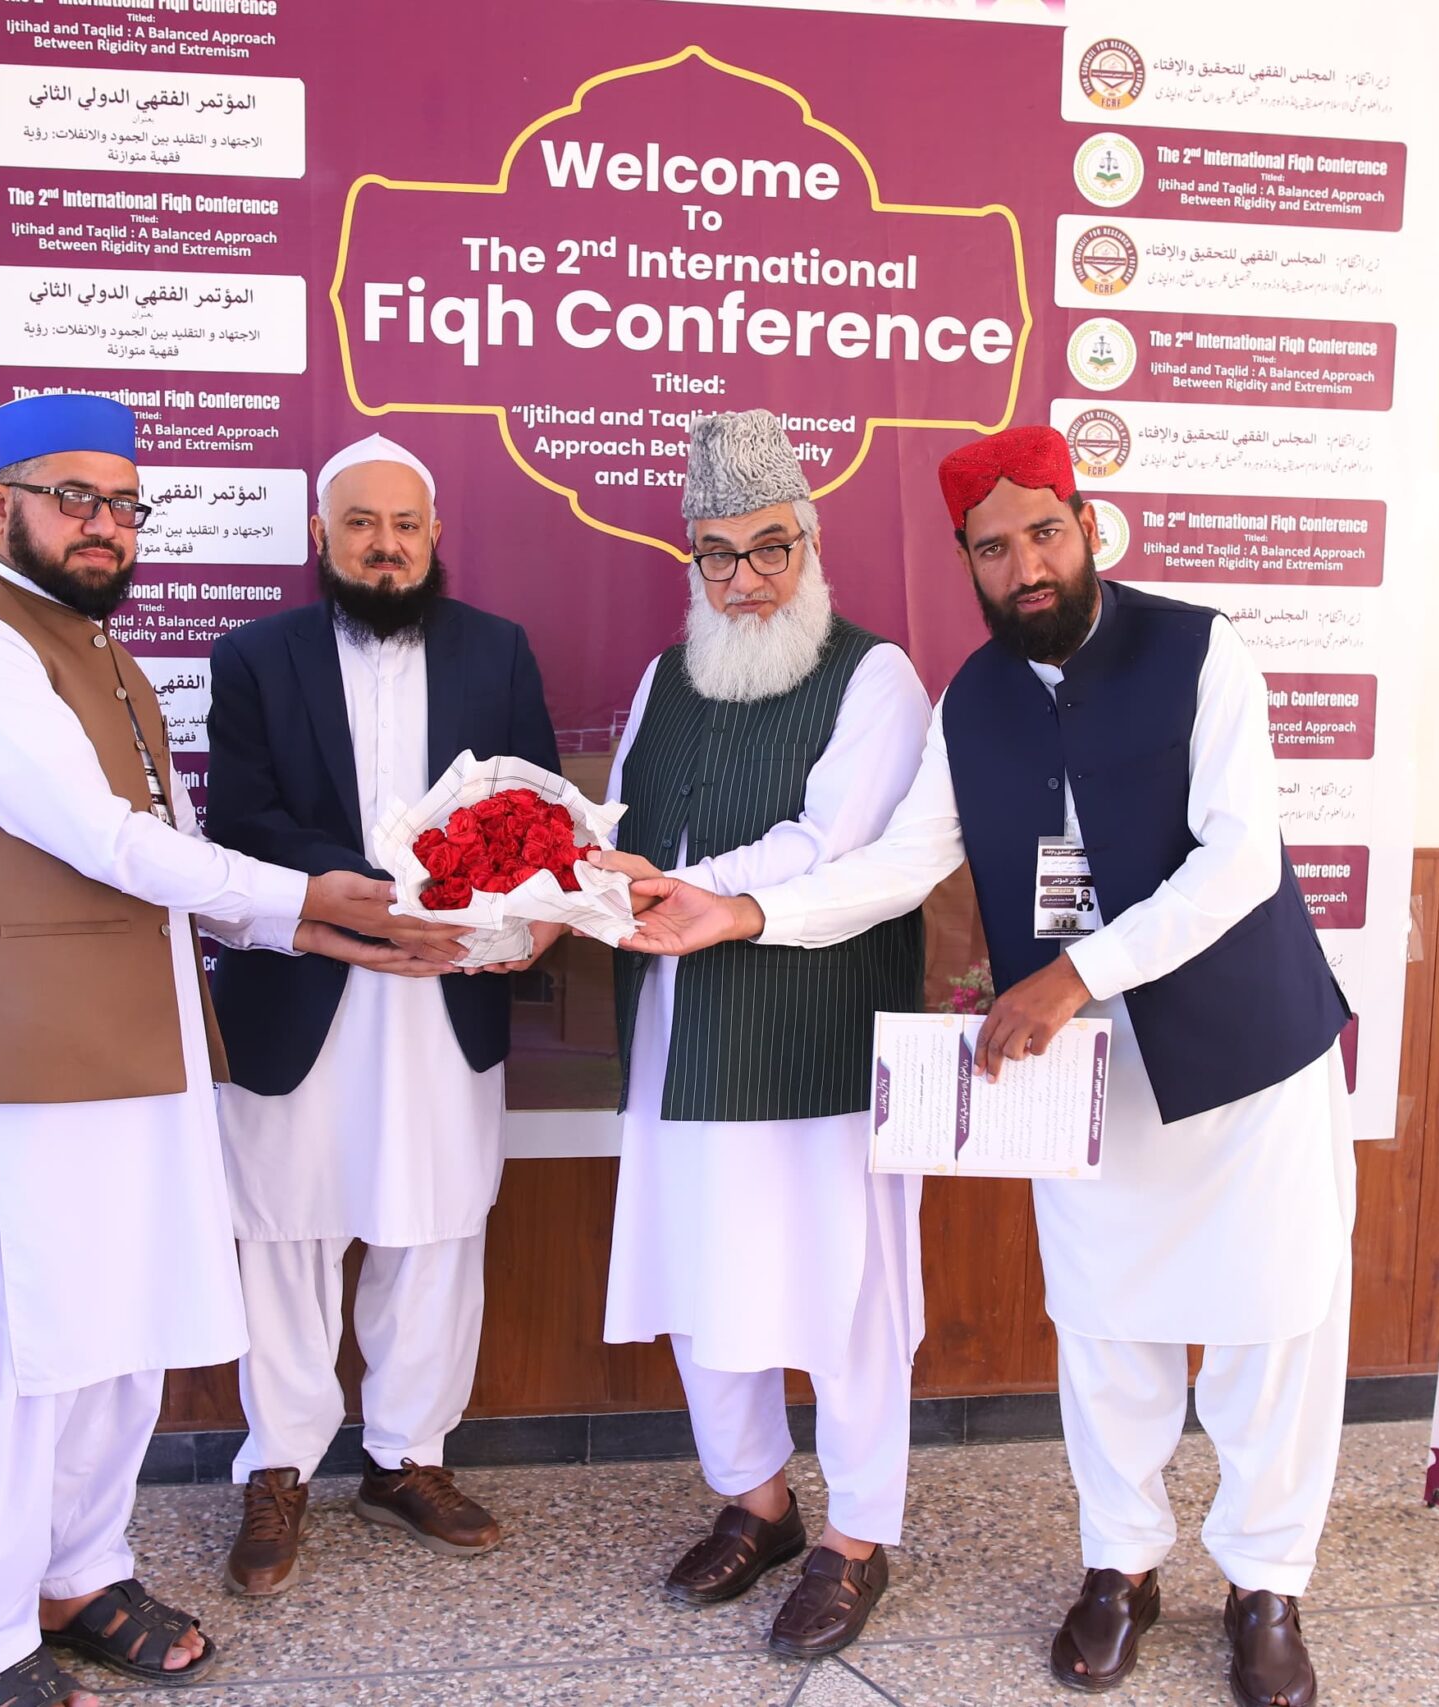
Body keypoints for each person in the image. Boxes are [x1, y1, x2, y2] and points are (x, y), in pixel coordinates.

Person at [620, 424, 1356, 1704]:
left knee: (1269, 1325)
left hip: (1242, 1048)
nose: (1025, 566)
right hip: (1084, 1068)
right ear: (965, 559)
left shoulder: (1198, 649)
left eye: (1044, 533)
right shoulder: (974, 697)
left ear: (1086, 527)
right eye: (993, 548)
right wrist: (743, 912)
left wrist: (1075, 973)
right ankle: (1120, 1567)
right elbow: (904, 861)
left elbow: (1241, 857)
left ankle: (1265, 1583)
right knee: (1104, 1326)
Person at [0, 394, 434, 1707]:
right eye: (73, 497)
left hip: (137, 1053)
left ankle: (77, 1573)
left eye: (124, 504)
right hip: (5, 1066)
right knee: (5, 1358)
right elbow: (98, 837)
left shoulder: (109, 659)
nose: (103, 525)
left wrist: (305, 927)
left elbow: (168, 864)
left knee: (114, 1338)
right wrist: (300, 896)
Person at [591, 411, 932, 1658]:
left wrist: (691, 892)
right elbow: (621, 823)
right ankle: (756, 1502)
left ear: (811, 542)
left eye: (770, 548)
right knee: (702, 1274)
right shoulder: (663, 676)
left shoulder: (875, 676)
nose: (746, 581)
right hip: (677, 1032)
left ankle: (856, 1536)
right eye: (719, 555)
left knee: (844, 1292)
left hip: (814, 1037)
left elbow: (829, 844)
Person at [205, 433, 563, 1596]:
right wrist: (376, 895)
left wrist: (500, 906)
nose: (385, 545)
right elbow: (242, 822)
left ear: (435, 534)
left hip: (446, 987)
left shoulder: (498, 651)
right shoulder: (252, 656)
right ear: (322, 535)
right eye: (361, 524)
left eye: (405, 525)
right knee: (284, 1229)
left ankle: (408, 1458)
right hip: (302, 981)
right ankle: (280, 1466)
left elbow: (536, 811)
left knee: (436, 1225)